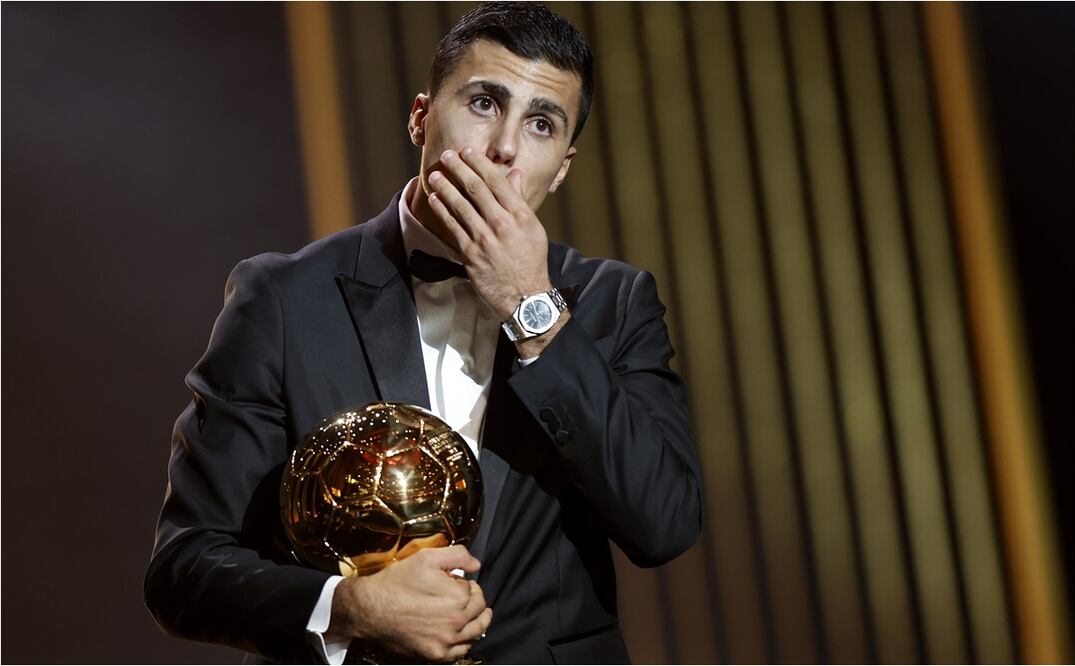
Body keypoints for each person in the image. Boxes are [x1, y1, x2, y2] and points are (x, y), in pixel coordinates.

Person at [145, 3, 702, 663]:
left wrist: (532, 309)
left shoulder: (614, 302)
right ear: (420, 117)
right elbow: (185, 570)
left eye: (541, 124)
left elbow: (663, 524)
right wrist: (349, 608)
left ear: (561, 167)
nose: (503, 148)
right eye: (484, 102)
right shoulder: (282, 300)